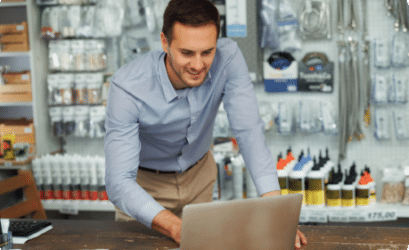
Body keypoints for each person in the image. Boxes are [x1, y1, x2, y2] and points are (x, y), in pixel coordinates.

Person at [104, 0, 307, 248]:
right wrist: (176, 227)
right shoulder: (127, 87)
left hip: (200, 178)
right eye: (186, 53)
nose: (198, 65)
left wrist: (278, 215)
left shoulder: (229, 57)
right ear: (164, 42)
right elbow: (118, 182)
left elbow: (249, 133)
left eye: (207, 52)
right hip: (145, 188)